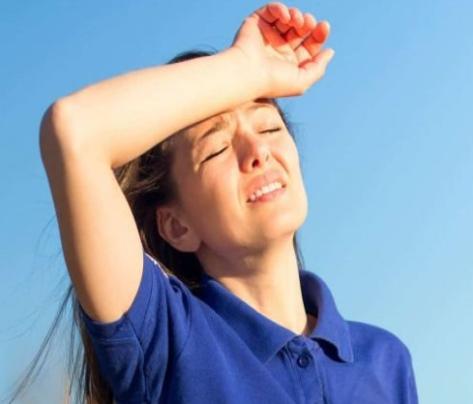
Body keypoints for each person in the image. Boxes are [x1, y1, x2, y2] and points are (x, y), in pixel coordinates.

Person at [22, 2, 417, 403]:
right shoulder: (170, 344)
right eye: (217, 149)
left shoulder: (385, 360)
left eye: (269, 128)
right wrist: (246, 67)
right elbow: (75, 130)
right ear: (176, 226)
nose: (258, 152)